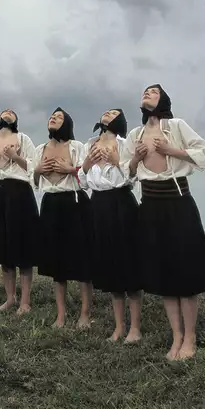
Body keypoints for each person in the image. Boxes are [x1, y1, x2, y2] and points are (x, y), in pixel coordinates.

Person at [121, 84, 205, 360]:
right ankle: (176, 336)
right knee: (164, 273)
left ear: (163, 99)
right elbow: (127, 174)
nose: (147, 93)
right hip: (150, 206)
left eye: (153, 91)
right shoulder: (135, 135)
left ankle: (190, 337)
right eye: (144, 91)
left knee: (185, 271)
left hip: (178, 204)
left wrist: (171, 150)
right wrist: (137, 158)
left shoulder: (176, 126)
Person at [32, 107, 95, 329]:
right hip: (50, 202)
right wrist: (39, 169)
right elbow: (34, 179)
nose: (53, 118)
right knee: (56, 263)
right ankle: (61, 315)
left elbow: (87, 176)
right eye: (51, 116)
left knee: (81, 261)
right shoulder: (40, 149)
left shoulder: (76, 147)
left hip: (75, 202)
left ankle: (85, 314)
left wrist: (70, 169)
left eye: (58, 117)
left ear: (67, 123)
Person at [83, 108, 143, 343]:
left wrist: (116, 161)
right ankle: (119, 327)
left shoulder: (125, 142)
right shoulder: (91, 143)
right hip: (98, 204)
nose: (107, 113)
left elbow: (132, 177)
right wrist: (87, 163)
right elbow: (83, 180)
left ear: (119, 120)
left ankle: (135, 328)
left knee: (129, 263)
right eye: (105, 111)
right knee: (109, 264)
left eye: (113, 112)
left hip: (121, 201)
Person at [0, 109, 39, 314]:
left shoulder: (23, 138)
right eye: (4, 112)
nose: (7, 114)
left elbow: (34, 167)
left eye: (11, 113)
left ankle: (25, 301)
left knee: (22, 246)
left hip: (19, 191)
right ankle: (10, 298)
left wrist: (15, 156)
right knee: (2, 247)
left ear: (16, 121)